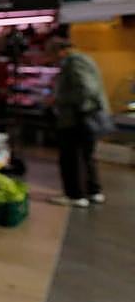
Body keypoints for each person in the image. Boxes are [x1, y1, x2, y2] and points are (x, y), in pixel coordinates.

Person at [49, 35, 110, 207]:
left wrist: (58, 99)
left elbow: (86, 89)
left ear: (60, 51)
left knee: (70, 157)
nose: (51, 58)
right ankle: (93, 191)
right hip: (85, 117)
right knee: (87, 156)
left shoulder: (74, 62)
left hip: (76, 118)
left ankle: (75, 195)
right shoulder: (84, 59)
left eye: (51, 54)